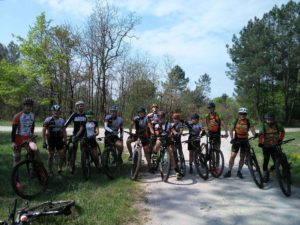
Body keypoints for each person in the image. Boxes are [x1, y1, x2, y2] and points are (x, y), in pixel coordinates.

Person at [224, 107, 257, 179]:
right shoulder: (235, 120)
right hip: (236, 140)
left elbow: (252, 129)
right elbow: (231, 130)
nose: (243, 115)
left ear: (246, 114)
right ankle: (229, 171)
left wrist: (255, 134)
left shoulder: (248, 121)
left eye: (244, 114)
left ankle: (239, 172)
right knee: (232, 156)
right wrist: (232, 139)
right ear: (239, 114)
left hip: (245, 140)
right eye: (241, 114)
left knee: (242, 157)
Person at [153, 111, 183, 180]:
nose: (160, 119)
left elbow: (172, 130)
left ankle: (177, 172)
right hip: (161, 138)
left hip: (167, 139)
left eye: (162, 117)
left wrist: (175, 133)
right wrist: (157, 134)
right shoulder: (157, 125)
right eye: (159, 117)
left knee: (171, 154)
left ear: (164, 117)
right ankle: (154, 162)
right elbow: (156, 131)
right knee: (157, 145)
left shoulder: (169, 124)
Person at [11, 97, 41, 165]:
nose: (29, 107)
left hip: (28, 138)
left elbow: (32, 125)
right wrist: (13, 142)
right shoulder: (17, 116)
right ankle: (15, 174)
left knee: (33, 153)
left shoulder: (32, 115)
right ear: (23, 106)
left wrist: (32, 133)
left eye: (30, 106)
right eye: (27, 105)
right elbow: (13, 131)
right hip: (18, 138)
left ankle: (32, 171)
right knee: (17, 157)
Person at [258, 112, 285, 182]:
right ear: (266, 120)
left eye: (271, 119)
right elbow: (260, 135)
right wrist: (260, 143)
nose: (270, 120)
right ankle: (265, 175)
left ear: (274, 119)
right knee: (266, 161)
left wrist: (280, 139)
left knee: (277, 161)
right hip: (266, 146)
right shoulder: (264, 126)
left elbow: (283, 132)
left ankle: (271, 171)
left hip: (275, 146)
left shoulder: (277, 125)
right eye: (268, 119)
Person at [42, 104, 67, 175]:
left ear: (59, 112)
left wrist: (65, 141)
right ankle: (49, 171)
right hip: (51, 140)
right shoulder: (48, 120)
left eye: (57, 111)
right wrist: (44, 142)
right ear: (52, 111)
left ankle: (60, 169)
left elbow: (64, 131)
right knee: (50, 156)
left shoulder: (62, 120)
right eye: (54, 111)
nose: (56, 112)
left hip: (59, 139)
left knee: (62, 154)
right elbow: (43, 131)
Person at [64, 100, 87, 173]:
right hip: (75, 134)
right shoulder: (74, 115)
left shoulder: (86, 115)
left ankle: (84, 163)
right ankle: (72, 164)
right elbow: (66, 123)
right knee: (74, 147)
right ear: (76, 107)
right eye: (79, 106)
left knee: (83, 147)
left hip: (84, 134)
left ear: (84, 107)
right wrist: (63, 129)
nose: (81, 107)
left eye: (82, 105)